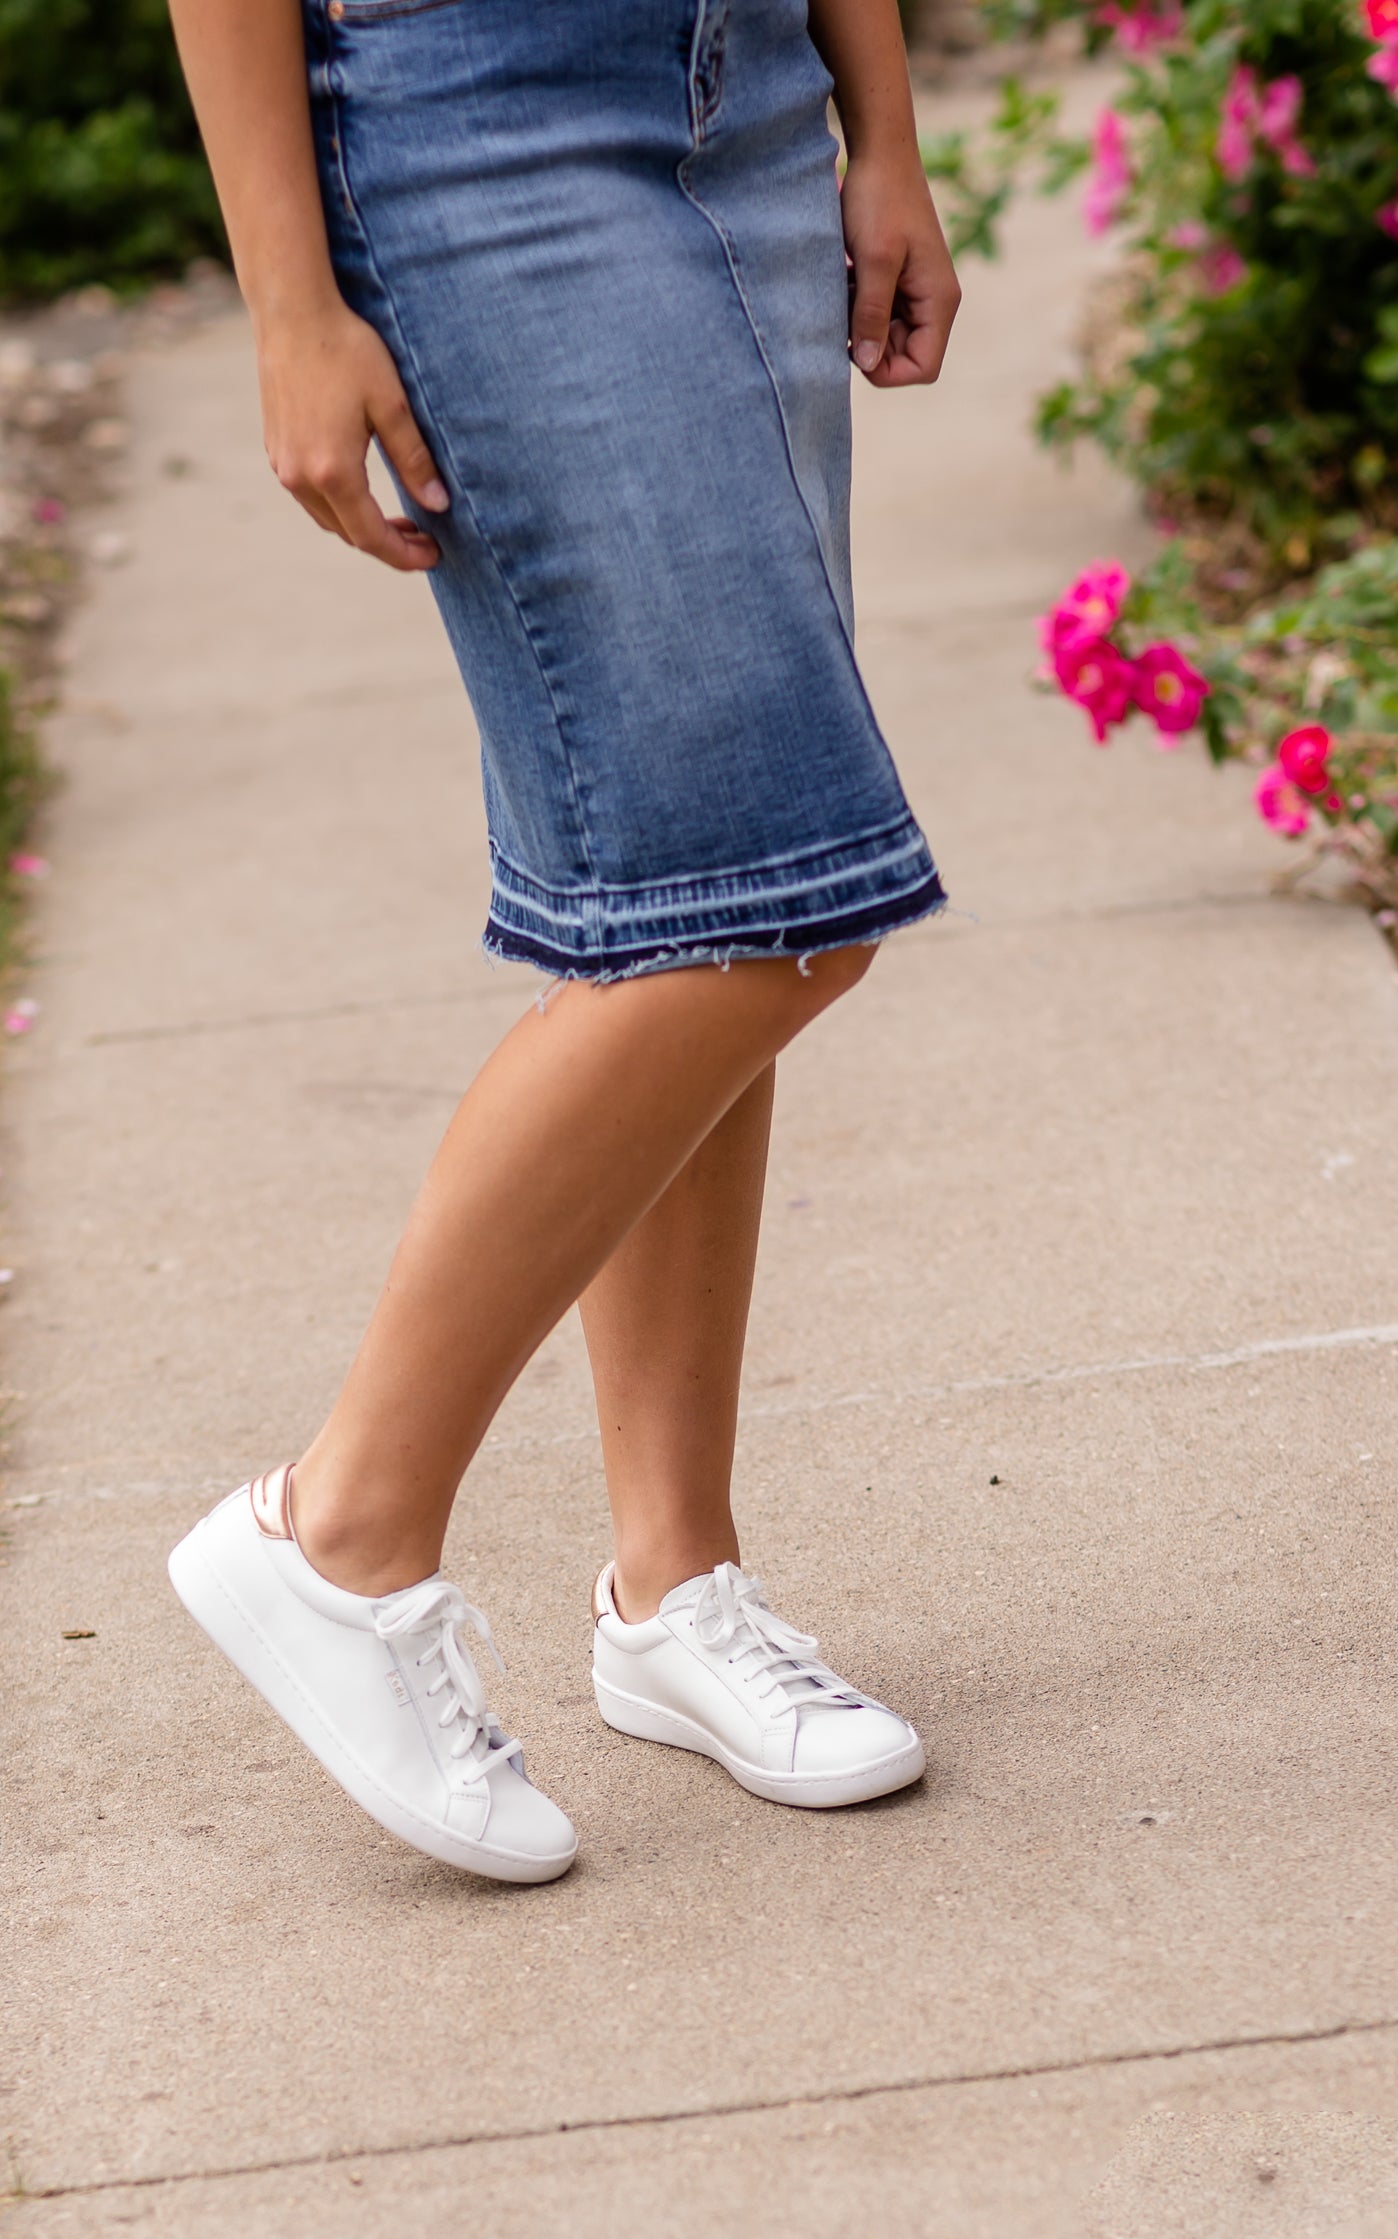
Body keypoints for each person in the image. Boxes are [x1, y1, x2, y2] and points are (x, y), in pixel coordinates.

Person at [164, 0, 960, 1883]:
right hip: (477, 121)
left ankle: (673, 1593)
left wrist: (886, 126)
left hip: (748, 91)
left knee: (690, 896)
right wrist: (289, 295)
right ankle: (339, 1529)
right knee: (755, 895)